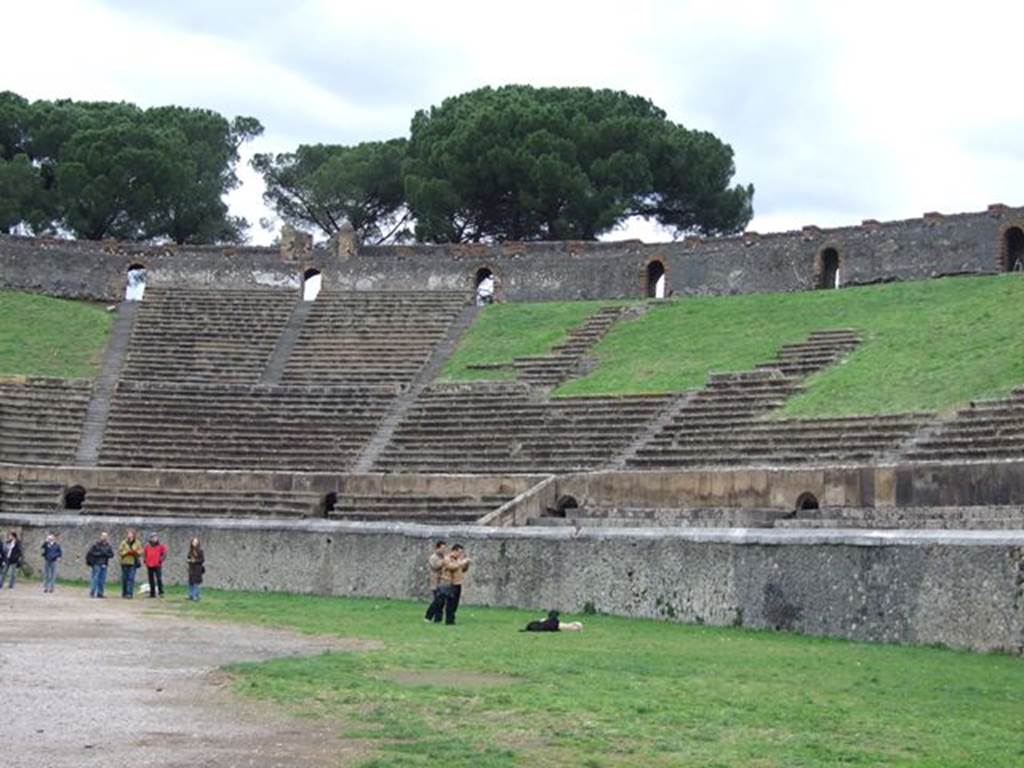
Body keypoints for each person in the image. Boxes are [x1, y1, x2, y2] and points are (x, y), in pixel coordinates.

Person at [441, 544, 471, 626]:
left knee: (455, 603)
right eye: (459, 552)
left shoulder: (458, 560)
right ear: (454, 551)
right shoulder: (447, 558)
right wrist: (462, 562)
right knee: (450, 602)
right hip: (450, 583)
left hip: (458, 583)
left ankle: (452, 619)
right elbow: (451, 567)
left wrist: (467, 564)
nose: (460, 554)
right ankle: (449, 620)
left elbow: (463, 570)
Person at [423, 540, 447, 623]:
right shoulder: (433, 557)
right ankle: (428, 616)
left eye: (444, 548)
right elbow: (435, 566)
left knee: (442, 602)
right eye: (442, 548)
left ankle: (438, 619)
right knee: (437, 601)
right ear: (437, 548)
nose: (444, 550)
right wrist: (444, 562)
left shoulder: (444, 557)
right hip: (435, 583)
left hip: (443, 583)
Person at [86, 532, 114, 598]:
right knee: (95, 578)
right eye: (103, 536)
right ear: (100, 537)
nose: (104, 537)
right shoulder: (96, 545)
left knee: (102, 580)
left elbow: (111, 554)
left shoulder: (108, 546)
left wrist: (106, 554)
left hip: (104, 564)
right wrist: (100, 553)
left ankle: (100, 593)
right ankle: (92, 593)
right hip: (96, 564)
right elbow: (91, 553)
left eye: (105, 536)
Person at [118, 529, 143, 599]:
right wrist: (126, 552)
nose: (129, 535)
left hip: (133, 562)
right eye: (128, 534)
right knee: (124, 578)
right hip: (125, 562)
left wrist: (136, 552)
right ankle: (124, 593)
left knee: (131, 578)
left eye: (131, 533)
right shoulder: (123, 542)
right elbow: (120, 551)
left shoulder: (138, 542)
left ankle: (129, 593)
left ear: (133, 534)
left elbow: (141, 551)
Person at [143, 533, 168, 598]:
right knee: (151, 580)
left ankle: (161, 592)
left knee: (159, 579)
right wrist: (145, 560)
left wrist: (160, 560)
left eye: (155, 537)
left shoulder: (161, 546)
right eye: (153, 537)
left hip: (157, 565)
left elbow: (164, 554)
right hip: (149, 565)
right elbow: (145, 554)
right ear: (150, 538)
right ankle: (152, 593)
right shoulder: (147, 546)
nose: (154, 538)